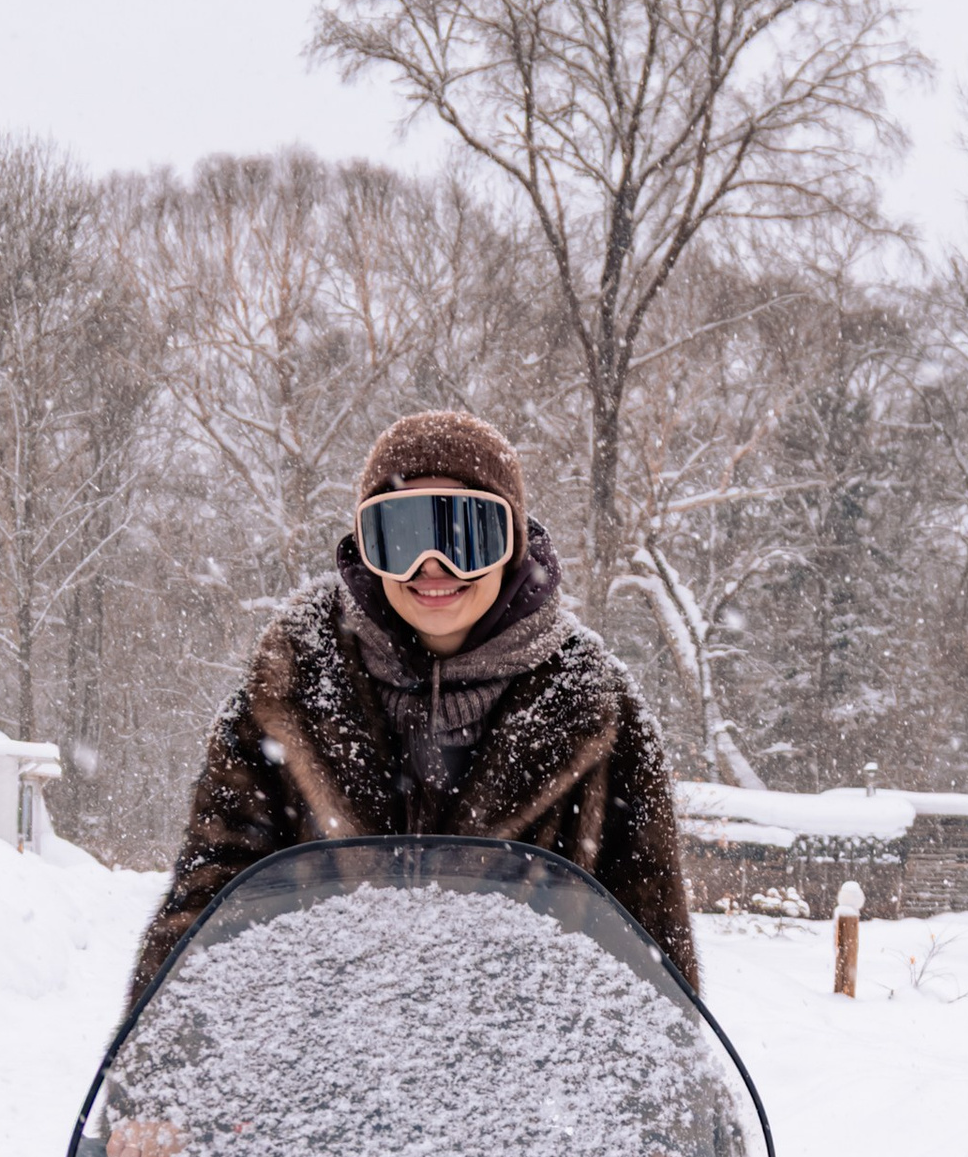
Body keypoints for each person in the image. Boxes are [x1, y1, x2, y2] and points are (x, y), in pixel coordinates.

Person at [123, 409, 696, 1014]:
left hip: (525, 1086)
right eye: (401, 534)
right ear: (366, 549)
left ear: (513, 545)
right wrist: (163, 1075)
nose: (433, 567)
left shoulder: (596, 709)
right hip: (316, 1071)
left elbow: (651, 957)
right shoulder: (286, 693)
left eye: (467, 535)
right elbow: (205, 913)